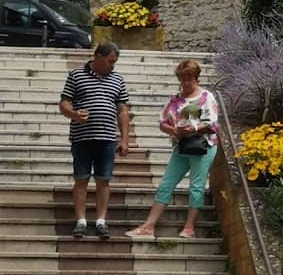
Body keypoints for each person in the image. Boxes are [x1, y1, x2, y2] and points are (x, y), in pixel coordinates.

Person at [126, 59, 219, 241]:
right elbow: (162, 122)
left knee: (196, 186)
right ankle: (149, 225)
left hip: (203, 146)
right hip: (182, 146)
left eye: (189, 79)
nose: (186, 83)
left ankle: (189, 227)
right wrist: (175, 131)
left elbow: (212, 122)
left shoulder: (206, 97)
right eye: (182, 79)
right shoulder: (175, 99)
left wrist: (193, 128)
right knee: (166, 184)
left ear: (196, 78)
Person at [60, 42, 130, 240]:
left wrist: (124, 139)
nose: (112, 66)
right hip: (82, 137)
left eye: (114, 62)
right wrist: (73, 114)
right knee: (81, 178)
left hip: (107, 137)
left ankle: (101, 221)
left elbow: (123, 110)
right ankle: (81, 221)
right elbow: (64, 103)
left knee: (103, 180)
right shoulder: (76, 75)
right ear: (97, 56)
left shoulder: (118, 79)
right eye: (110, 61)